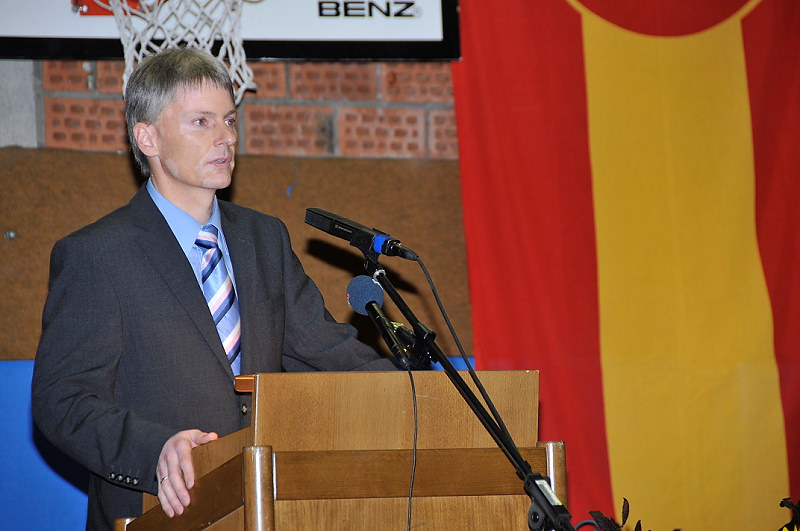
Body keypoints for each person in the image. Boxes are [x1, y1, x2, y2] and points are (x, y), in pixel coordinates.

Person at [31, 47, 397, 530]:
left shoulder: (264, 239)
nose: (226, 137)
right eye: (201, 122)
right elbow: (62, 400)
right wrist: (155, 450)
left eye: (229, 120)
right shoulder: (98, 254)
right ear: (147, 137)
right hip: (158, 511)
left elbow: (329, 353)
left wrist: (423, 395)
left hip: (261, 507)